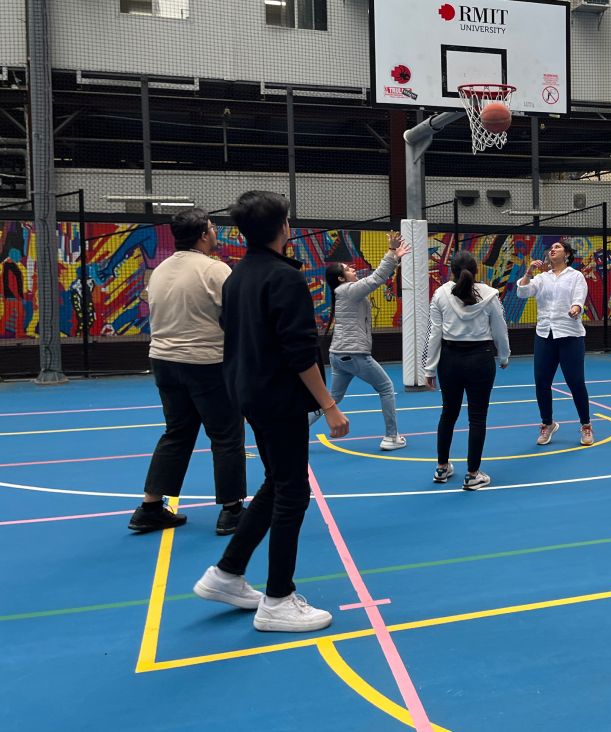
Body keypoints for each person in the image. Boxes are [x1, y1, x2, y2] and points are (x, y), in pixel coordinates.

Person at [193, 190, 350, 633]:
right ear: (283, 227)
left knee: (277, 482)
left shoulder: (236, 277)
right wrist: (329, 405)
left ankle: (227, 572)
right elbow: (299, 353)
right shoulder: (285, 279)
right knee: (294, 493)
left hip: (250, 394)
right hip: (277, 399)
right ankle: (278, 597)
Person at [128, 208, 247, 535]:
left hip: (164, 362)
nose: (214, 233)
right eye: (211, 228)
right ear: (203, 235)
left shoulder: (160, 270)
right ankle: (232, 510)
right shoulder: (215, 270)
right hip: (206, 363)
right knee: (226, 435)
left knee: (177, 432)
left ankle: (150, 507)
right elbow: (238, 314)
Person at [313, 233, 410, 451]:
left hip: (338, 355)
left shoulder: (343, 291)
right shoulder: (348, 290)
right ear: (340, 278)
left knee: (333, 398)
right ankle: (391, 437)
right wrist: (392, 252)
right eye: (348, 269)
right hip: (354, 354)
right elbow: (376, 279)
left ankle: (296, 430)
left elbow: (376, 278)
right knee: (386, 388)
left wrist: (394, 257)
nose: (353, 270)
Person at [424, 250, 511, 490]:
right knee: (477, 417)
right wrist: (504, 355)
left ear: (451, 271)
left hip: (449, 360)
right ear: (476, 271)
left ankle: (442, 468)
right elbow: (499, 328)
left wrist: (429, 368)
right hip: (480, 360)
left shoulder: (440, 294)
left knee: (448, 414)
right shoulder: (491, 294)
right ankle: (473, 474)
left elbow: (435, 334)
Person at [516, 240, 594, 447]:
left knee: (576, 382)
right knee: (541, 382)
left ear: (567, 254)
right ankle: (547, 424)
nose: (553, 249)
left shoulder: (576, 276)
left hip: (570, 335)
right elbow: (522, 292)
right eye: (551, 248)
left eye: (558, 247)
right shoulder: (541, 278)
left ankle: (586, 425)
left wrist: (576, 308)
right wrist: (528, 272)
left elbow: (579, 298)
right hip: (545, 335)